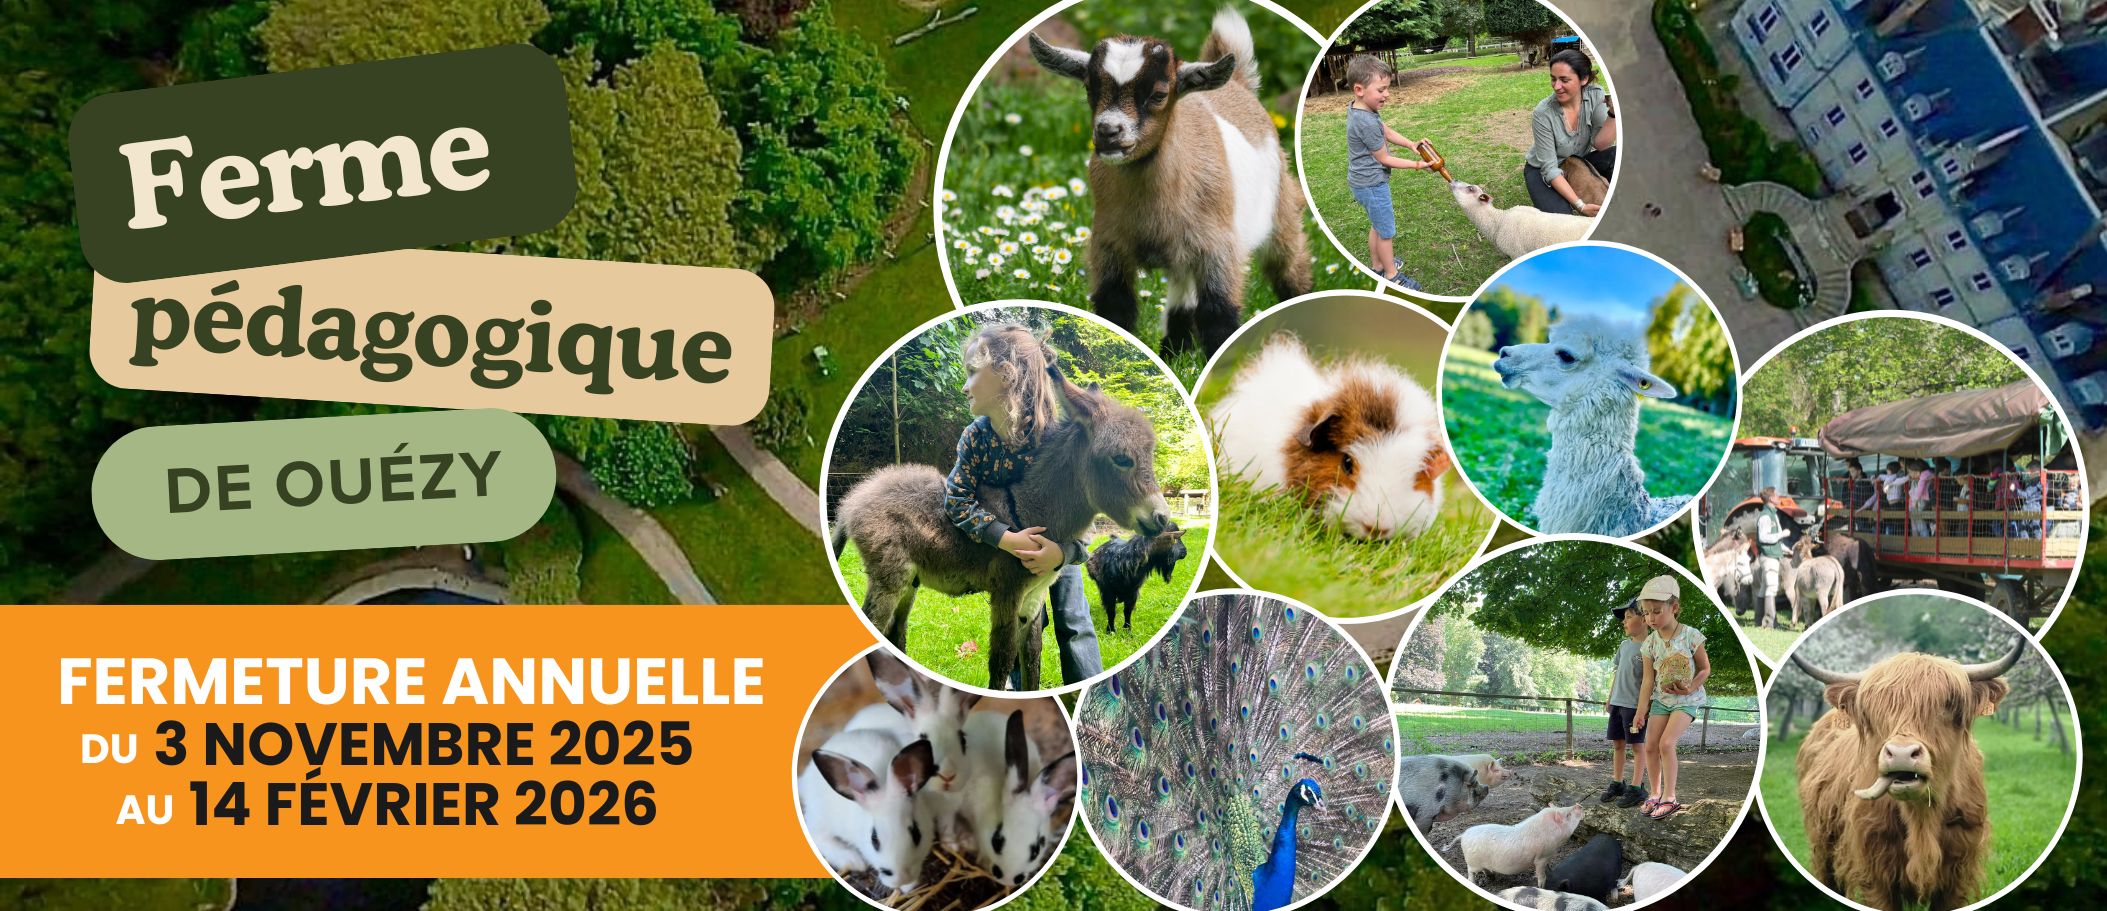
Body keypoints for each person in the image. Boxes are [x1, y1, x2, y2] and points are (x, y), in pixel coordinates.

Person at [946, 323, 1102, 688]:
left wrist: (1062, 554)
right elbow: (956, 498)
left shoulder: (1057, 434)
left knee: (1073, 621)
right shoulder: (976, 438)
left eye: (972, 373)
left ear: (1005, 376)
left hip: (1059, 546)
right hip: (1012, 550)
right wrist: (1003, 538)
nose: (965, 386)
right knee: (1019, 618)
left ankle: (1088, 692)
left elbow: (1087, 505)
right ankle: (1021, 690)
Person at [1343, 54, 1431, 290]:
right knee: (1386, 232)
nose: (1387, 94)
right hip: (1371, 184)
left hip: (1362, 182)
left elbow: (1385, 129)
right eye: (1381, 89)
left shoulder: (1360, 109)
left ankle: (1378, 265)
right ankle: (1392, 276)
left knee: (1377, 225)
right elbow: (1384, 158)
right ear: (1359, 89)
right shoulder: (1366, 121)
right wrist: (1417, 165)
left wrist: (1411, 144)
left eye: (1387, 89)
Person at [1630, 575, 1710, 821]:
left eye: (1656, 611)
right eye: (1646, 613)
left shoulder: (1691, 636)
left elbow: (1705, 669)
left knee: (1666, 744)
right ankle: (1654, 793)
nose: (1651, 618)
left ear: (1674, 608)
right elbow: (1647, 680)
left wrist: (1690, 688)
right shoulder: (1650, 643)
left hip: (1687, 700)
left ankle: (1670, 796)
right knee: (1650, 745)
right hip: (1661, 700)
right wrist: (1641, 711)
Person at [1523, 49, 1617, 215]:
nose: (1556, 86)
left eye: (1564, 80)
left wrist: (1613, 114)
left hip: (1576, 161)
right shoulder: (1543, 113)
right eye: (1553, 79)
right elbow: (1550, 169)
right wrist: (1581, 205)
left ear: (1584, 79)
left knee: (1616, 155)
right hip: (1543, 169)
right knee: (1562, 217)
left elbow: (1601, 144)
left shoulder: (1596, 96)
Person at [1597, 598, 1652, 809]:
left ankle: (1637, 788)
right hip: (1618, 704)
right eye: (1624, 619)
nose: (1624, 622)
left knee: (1638, 746)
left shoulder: (1651, 646)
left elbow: (1650, 681)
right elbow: (1617, 673)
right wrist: (1611, 698)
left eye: (1629, 617)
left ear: (1645, 619)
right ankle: (1618, 783)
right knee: (1617, 744)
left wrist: (1643, 708)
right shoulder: (1623, 646)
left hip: (1635, 707)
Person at [1754, 488, 1788, 628]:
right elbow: (1763, 538)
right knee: (1772, 588)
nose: (1779, 497)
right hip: (1768, 557)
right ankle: (1769, 622)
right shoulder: (1765, 517)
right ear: (1770, 499)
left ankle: (1758, 620)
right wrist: (1783, 534)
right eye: (1776, 495)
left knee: (1764, 588)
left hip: (1772, 555)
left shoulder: (1773, 515)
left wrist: (1787, 549)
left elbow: (1776, 541)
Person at [1910, 458, 1937, 538]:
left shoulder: (1924, 475)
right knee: (1926, 520)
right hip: (1930, 499)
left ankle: (1926, 540)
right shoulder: (1928, 473)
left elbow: (1920, 488)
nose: (1910, 474)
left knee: (1922, 519)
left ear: (1917, 471)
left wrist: (1915, 501)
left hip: (1928, 500)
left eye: (1911, 472)